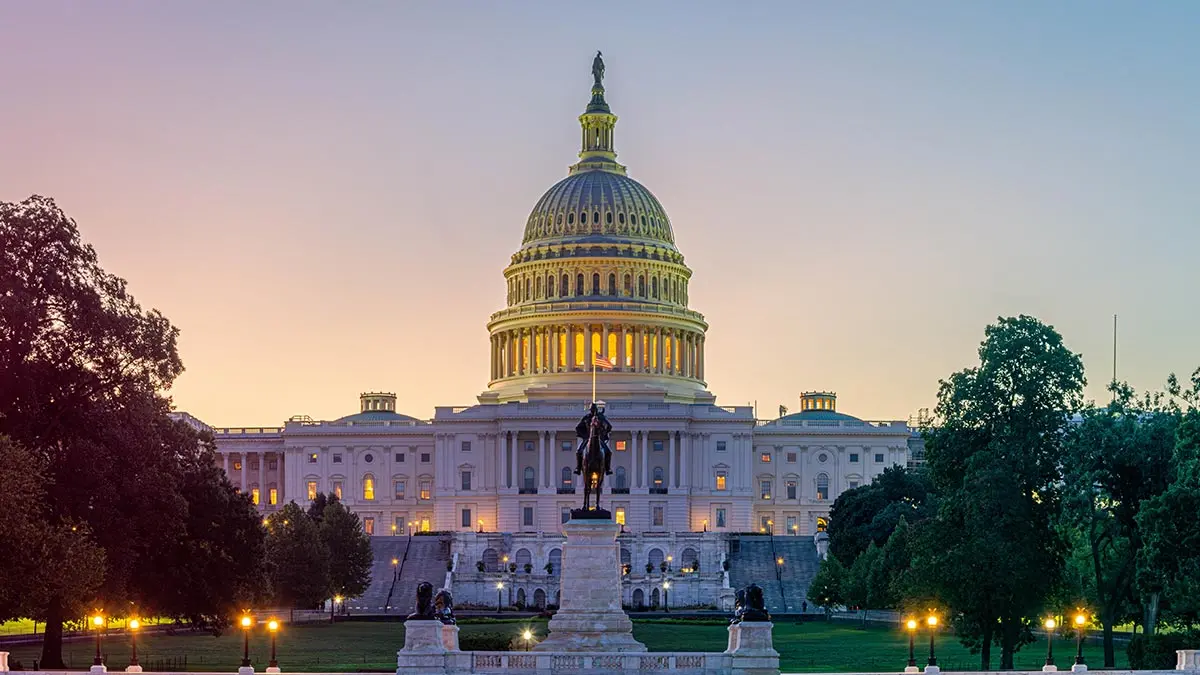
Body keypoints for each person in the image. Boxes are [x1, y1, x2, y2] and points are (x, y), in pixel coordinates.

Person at [575, 401, 612, 476]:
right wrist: (584, 435)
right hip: (587, 438)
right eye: (592, 410)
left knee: (608, 452)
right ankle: (578, 468)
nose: (593, 411)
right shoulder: (587, 417)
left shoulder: (601, 417)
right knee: (579, 451)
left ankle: (608, 468)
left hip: (599, 439)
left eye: (594, 410)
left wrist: (603, 433)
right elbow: (578, 428)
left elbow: (609, 426)